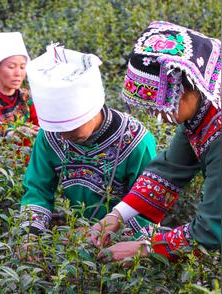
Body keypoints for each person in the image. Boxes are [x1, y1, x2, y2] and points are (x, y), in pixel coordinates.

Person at [90, 21, 221, 262]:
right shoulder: (205, 105)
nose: (156, 115)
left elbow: (211, 230)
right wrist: (117, 215)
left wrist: (144, 248)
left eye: (161, 104)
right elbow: (169, 171)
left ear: (188, 87)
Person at [19, 44, 157, 238]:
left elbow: (147, 205)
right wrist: (31, 235)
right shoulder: (50, 134)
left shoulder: (137, 141)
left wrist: (101, 234)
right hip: (73, 237)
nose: (63, 137)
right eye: (57, 129)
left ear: (91, 110)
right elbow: (37, 188)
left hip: (119, 243)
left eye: (70, 128)